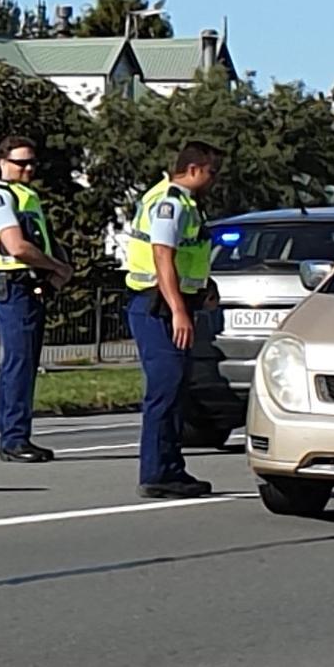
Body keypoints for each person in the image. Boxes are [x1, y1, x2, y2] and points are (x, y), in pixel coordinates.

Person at [123, 141, 224, 501]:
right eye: (212, 172)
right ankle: (157, 473)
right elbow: (162, 256)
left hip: (169, 304)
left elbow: (186, 258)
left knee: (175, 387)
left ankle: (170, 468)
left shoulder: (186, 204)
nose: (214, 180)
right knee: (165, 388)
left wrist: (202, 287)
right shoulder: (170, 203)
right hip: (157, 308)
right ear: (194, 169)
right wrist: (180, 310)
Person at [0, 136, 72, 465]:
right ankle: (14, 438)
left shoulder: (23, 196)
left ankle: (15, 434)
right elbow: (18, 247)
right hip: (11, 284)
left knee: (22, 361)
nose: (27, 169)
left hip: (21, 284)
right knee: (20, 362)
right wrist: (58, 267)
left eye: (31, 163)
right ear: (2, 163)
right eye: (20, 163)